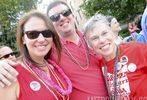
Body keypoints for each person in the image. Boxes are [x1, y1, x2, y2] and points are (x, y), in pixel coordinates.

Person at [0, 1, 108, 100]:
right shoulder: (51, 49)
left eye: (65, 12)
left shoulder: (93, 39)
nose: (62, 17)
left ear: (73, 15)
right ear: (23, 38)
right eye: (32, 34)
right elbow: (27, 58)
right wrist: (3, 64)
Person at [0, 10, 72, 100]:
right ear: (23, 39)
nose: (41, 39)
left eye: (46, 33)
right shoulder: (10, 75)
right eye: (32, 34)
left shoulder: (54, 65)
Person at [83, 14, 147, 99]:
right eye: (95, 38)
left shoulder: (137, 49)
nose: (102, 40)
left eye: (104, 33)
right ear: (90, 45)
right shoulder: (99, 65)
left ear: (112, 33)